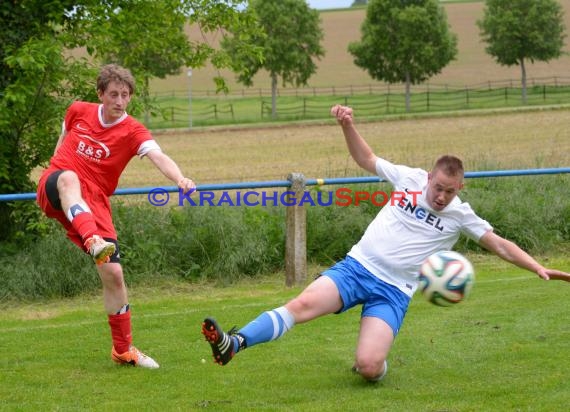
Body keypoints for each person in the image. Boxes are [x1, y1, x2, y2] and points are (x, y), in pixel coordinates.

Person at [201, 104, 570, 382]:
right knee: (301, 305)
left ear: (461, 188)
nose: (441, 196)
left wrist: (537, 266)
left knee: (368, 366)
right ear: (429, 177)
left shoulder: (461, 214)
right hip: (358, 267)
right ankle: (235, 344)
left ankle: (376, 363)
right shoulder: (408, 179)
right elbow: (366, 158)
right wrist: (347, 125)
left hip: (394, 291)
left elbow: (500, 244)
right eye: (438, 187)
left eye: (450, 191)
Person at [37, 64, 196, 369]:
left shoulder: (133, 131)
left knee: (114, 274)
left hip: (93, 202)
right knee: (68, 178)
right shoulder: (77, 111)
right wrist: (52, 170)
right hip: (58, 183)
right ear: (100, 94)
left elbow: (158, 156)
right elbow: (63, 137)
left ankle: (123, 350)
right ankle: (91, 237)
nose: (120, 101)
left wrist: (180, 179)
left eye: (125, 95)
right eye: (113, 94)